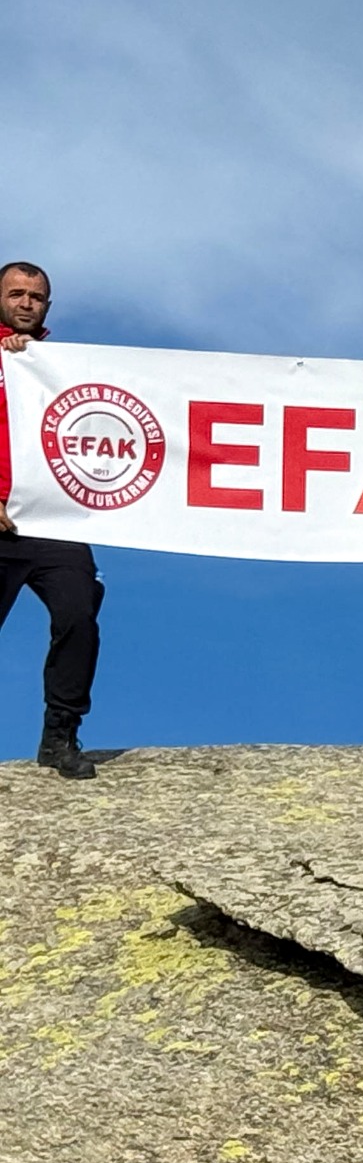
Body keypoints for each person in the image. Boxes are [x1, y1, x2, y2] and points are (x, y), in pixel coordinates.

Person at [0, 260, 103, 779]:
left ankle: (60, 735)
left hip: (51, 523)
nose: (24, 303)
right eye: (15, 294)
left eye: (34, 297)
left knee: (78, 614)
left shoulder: (58, 364)